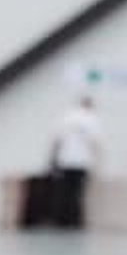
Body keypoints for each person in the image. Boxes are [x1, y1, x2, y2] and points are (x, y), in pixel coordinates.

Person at [49, 94, 103, 228]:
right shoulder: (91, 119)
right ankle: (75, 221)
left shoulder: (66, 117)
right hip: (81, 162)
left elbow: (56, 140)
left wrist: (53, 160)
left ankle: (60, 221)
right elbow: (95, 143)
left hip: (65, 160)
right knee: (77, 193)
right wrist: (98, 164)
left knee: (63, 192)